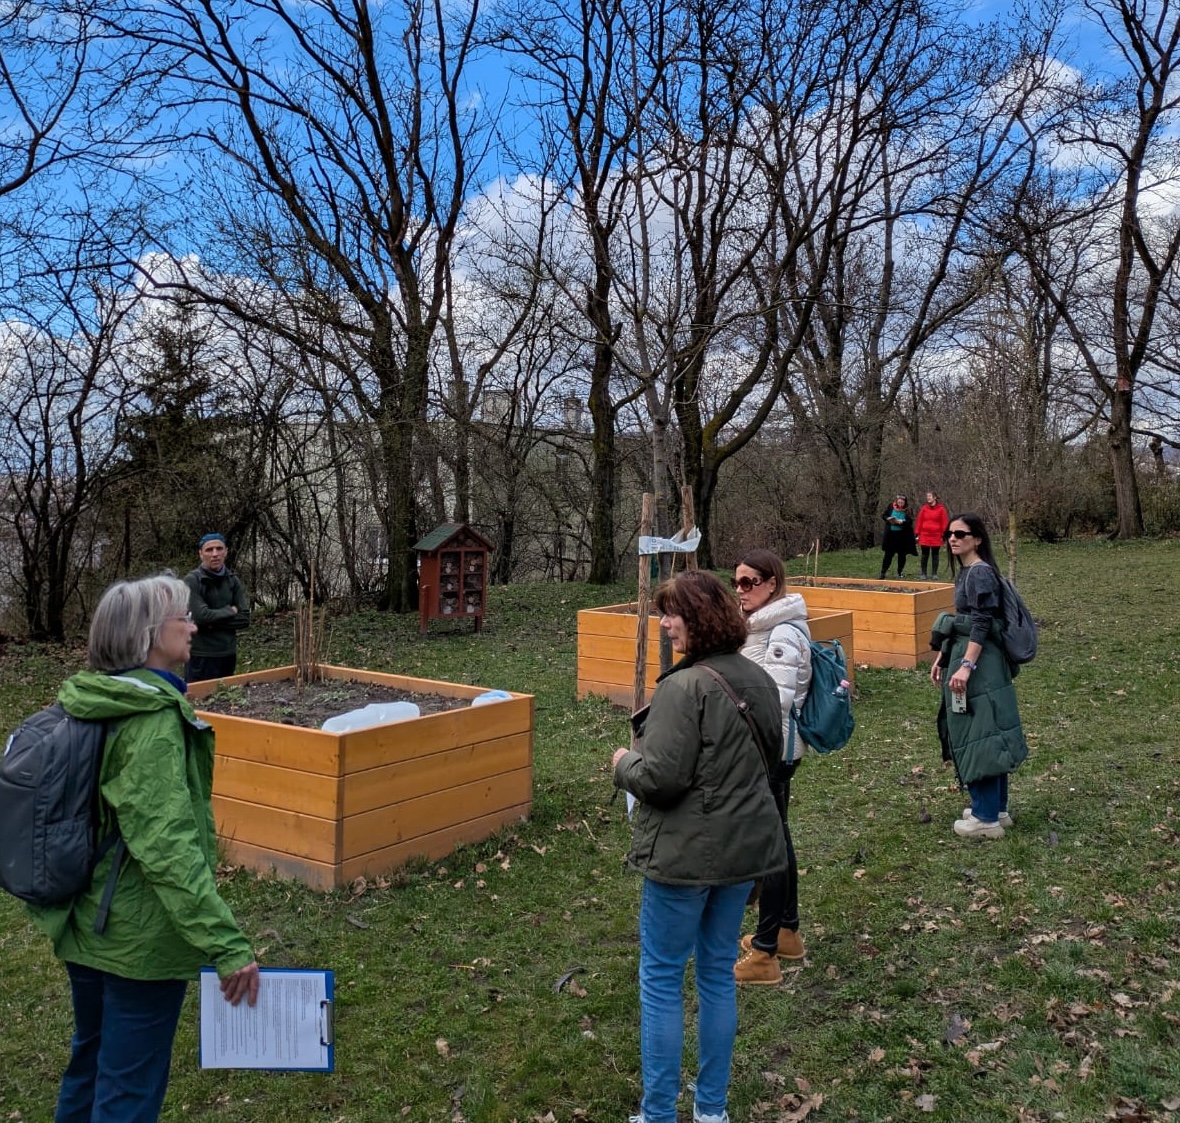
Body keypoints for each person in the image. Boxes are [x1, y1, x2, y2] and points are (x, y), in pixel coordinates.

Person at [28, 574, 260, 1122]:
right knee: (128, 1090)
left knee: (90, 1064)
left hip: (85, 923)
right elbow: (169, 849)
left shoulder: (94, 699)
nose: (194, 625)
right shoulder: (151, 722)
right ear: (151, 635)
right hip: (137, 942)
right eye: (184, 617)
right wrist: (226, 945)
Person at [612, 570, 787, 1123]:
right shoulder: (758, 679)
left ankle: (659, 1113)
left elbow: (661, 778)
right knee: (715, 975)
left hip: (683, 860)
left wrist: (622, 765)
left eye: (672, 614)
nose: (664, 625)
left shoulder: (682, 687)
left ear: (699, 618)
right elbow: (772, 757)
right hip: (742, 853)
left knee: (661, 979)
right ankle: (712, 1111)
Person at [729, 549, 812, 986]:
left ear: (773, 584)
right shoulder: (763, 626)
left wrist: (727, 704)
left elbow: (776, 698)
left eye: (750, 583)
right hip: (770, 747)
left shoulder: (781, 631)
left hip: (773, 751)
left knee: (771, 849)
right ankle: (786, 932)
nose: (741, 591)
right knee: (780, 839)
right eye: (737, 582)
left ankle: (764, 956)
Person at [929, 514, 1029, 839]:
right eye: (950, 534)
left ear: (977, 539)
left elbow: (982, 625)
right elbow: (966, 619)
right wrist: (944, 656)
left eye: (961, 534)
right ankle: (996, 809)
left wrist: (966, 666)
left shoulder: (980, 573)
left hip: (980, 664)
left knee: (980, 732)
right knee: (989, 731)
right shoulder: (970, 573)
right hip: (976, 659)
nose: (953, 538)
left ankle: (986, 819)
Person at [184, 533, 250, 683]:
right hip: (201, 656)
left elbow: (244, 619)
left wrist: (210, 622)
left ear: (226, 551)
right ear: (201, 554)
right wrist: (230, 611)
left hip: (227, 654)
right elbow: (200, 617)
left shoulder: (233, 580)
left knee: (226, 701)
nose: (215, 554)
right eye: (209, 550)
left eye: (219, 549)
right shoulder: (193, 581)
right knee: (198, 701)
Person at [914, 491, 950, 580]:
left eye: (929, 496)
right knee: (924, 554)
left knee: (935, 554)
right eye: (927, 496)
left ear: (934, 497)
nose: (928, 498)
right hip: (925, 535)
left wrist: (944, 534)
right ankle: (923, 573)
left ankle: (934, 574)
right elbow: (919, 521)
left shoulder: (941, 509)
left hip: (936, 535)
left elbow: (944, 522)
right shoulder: (924, 508)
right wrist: (917, 533)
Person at [879, 495, 917, 580]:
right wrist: (889, 519)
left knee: (902, 555)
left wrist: (902, 522)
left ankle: (899, 572)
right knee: (888, 555)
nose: (900, 504)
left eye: (902, 503)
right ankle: (883, 572)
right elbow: (884, 515)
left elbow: (910, 521)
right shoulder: (890, 506)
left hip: (902, 536)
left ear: (905, 503)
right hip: (891, 535)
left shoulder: (908, 510)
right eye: (899, 502)